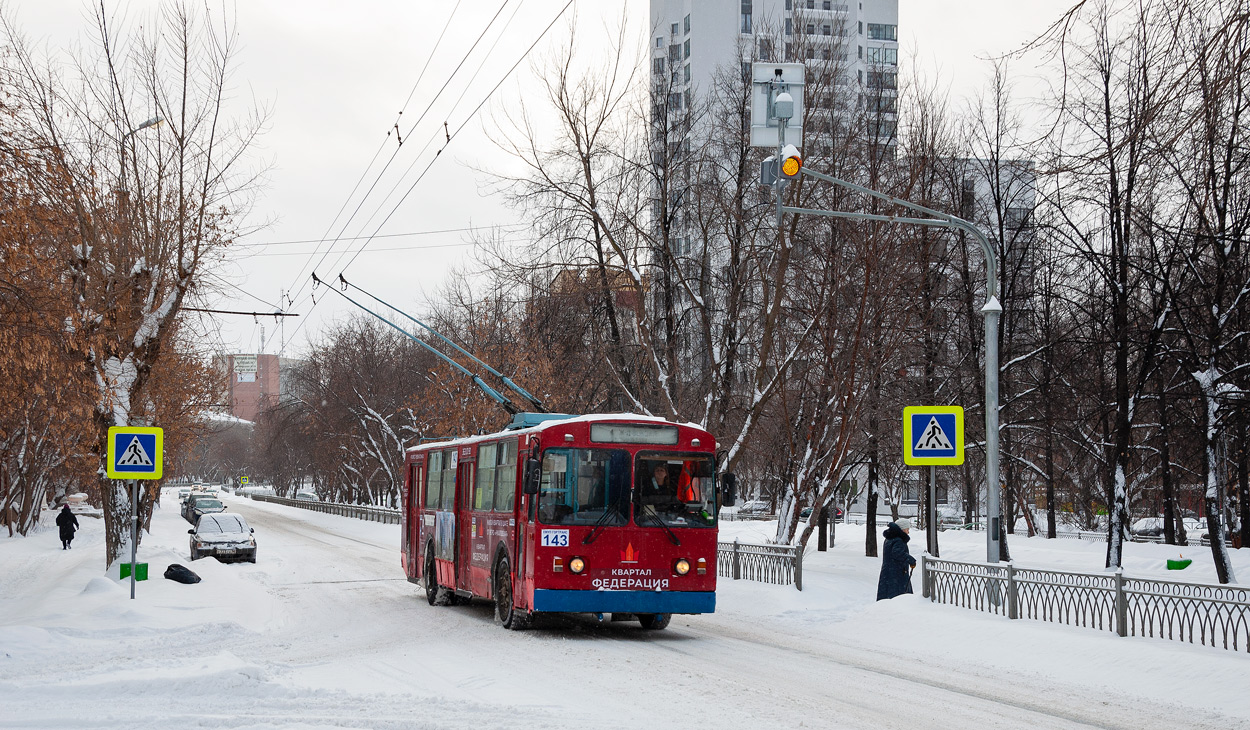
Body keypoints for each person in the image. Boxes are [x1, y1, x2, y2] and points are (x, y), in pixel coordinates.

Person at [876, 517, 916, 600]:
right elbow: (897, 553)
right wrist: (910, 560)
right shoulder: (899, 540)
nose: (908, 532)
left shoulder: (889, 539)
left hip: (888, 573)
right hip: (897, 574)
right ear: (902, 529)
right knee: (898, 597)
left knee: (886, 596)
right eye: (907, 529)